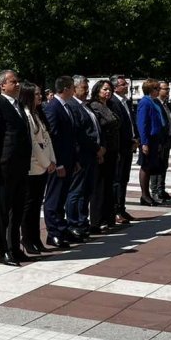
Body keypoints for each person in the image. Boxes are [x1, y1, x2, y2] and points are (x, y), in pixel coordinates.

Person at [0, 70, 33, 267]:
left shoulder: (19, 105)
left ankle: (14, 247)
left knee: (18, 209)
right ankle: (3, 250)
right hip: (5, 166)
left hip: (20, 166)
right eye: (14, 81)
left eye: (18, 81)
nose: (18, 84)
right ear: (2, 85)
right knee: (4, 210)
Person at [43, 75, 80, 249]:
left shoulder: (66, 107)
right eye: (73, 87)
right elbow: (53, 138)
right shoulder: (53, 107)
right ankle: (53, 232)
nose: (75, 90)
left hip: (69, 160)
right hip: (59, 163)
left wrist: (74, 160)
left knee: (62, 197)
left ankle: (61, 228)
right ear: (65, 88)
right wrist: (57, 163)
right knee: (54, 198)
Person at [66, 75, 104, 242]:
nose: (87, 91)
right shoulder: (73, 106)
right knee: (76, 192)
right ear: (74, 89)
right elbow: (80, 134)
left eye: (87, 87)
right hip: (82, 155)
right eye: (84, 87)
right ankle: (73, 224)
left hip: (92, 156)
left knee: (86, 191)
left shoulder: (85, 106)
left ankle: (82, 222)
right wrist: (96, 148)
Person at [20, 82, 55, 255]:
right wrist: (47, 162)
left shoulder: (38, 114)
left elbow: (47, 139)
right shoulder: (26, 115)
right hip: (33, 167)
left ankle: (35, 238)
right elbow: (34, 144)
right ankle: (27, 239)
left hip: (43, 165)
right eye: (36, 94)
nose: (40, 96)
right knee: (29, 206)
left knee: (36, 206)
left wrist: (52, 160)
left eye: (40, 94)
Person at [88, 79, 120, 233]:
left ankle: (109, 217)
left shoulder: (111, 105)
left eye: (110, 90)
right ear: (97, 91)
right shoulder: (94, 107)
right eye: (105, 89)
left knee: (109, 185)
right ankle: (97, 220)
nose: (108, 92)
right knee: (99, 186)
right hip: (102, 151)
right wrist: (99, 149)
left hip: (113, 150)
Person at [110, 75, 137, 224]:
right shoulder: (113, 102)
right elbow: (117, 128)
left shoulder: (126, 102)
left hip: (128, 146)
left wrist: (136, 138)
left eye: (126, 83)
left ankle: (121, 207)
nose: (126, 86)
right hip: (120, 147)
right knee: (117, 179)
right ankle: (115, 210)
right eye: (123, 84)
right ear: (116, 87)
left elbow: (131, 122)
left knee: (124, 179)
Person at [136, 79, 165, 205]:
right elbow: (142, 124)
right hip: (148, 139)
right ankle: (145, 195)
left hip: (155, 139)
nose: (158, 91)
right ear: (150, 90)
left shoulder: (154, 102)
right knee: (145, 167)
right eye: (156, 89)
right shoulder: (145, 102)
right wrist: (144, 143)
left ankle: (148, 195)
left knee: (151, 167)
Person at [150, 81, 171, 202]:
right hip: (158, 141)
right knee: (156, 167)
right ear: (158, 90)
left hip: (167, 140)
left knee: (164, 166)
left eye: (168, 89)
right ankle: (154, 191)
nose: (168, 91)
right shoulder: (154, 103)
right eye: (165, 89)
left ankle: (161, 189)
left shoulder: (166, 104)